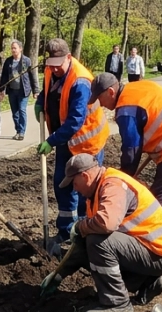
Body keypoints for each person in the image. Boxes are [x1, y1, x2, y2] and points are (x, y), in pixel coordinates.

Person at [38, 154, 162, 312]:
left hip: (158, 253)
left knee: (98, 242)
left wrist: (81, 226)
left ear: (85, 176)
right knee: (92, 242)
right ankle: (147, 283)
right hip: (149, 251)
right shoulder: (96, 192)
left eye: (74, 183)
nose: (75, 189)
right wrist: (58, 274)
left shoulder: (113, 185)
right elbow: (82, 246)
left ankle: (117, 303)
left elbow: (106, 224)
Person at [90, 71, 162, 262]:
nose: (101, 105)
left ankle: (161, 257)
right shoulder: (137, 87)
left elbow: (131, 148)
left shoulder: (125, 109)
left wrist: (124, 178)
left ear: (110, 92)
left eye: (100, 98)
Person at [35, 38, 111, 249]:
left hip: (87, 143)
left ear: (69, 57)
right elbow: (47, 89)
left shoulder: (81, 82)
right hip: (66, 142)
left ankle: (85, 231)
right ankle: (66, 230)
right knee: (63, 184)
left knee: (85, 188)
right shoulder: (52, 69)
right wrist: (41, 102)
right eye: (51, 64)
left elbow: (75, 122)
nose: (55, 68)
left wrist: (51, 141)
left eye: (59, 63)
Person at [0, 39, 38, 141]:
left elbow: (32, 76)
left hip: (23, 90)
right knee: (14, 112)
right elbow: (4, 76)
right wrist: (1, 89)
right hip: (12, 90)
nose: (13, 50)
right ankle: (17, 130)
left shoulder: (26, 61)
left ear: (20, 49)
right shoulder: (8, 61)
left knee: (22, 110)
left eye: (15, 48)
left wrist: (36, 91)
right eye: (12, 48)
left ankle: (22, 132)